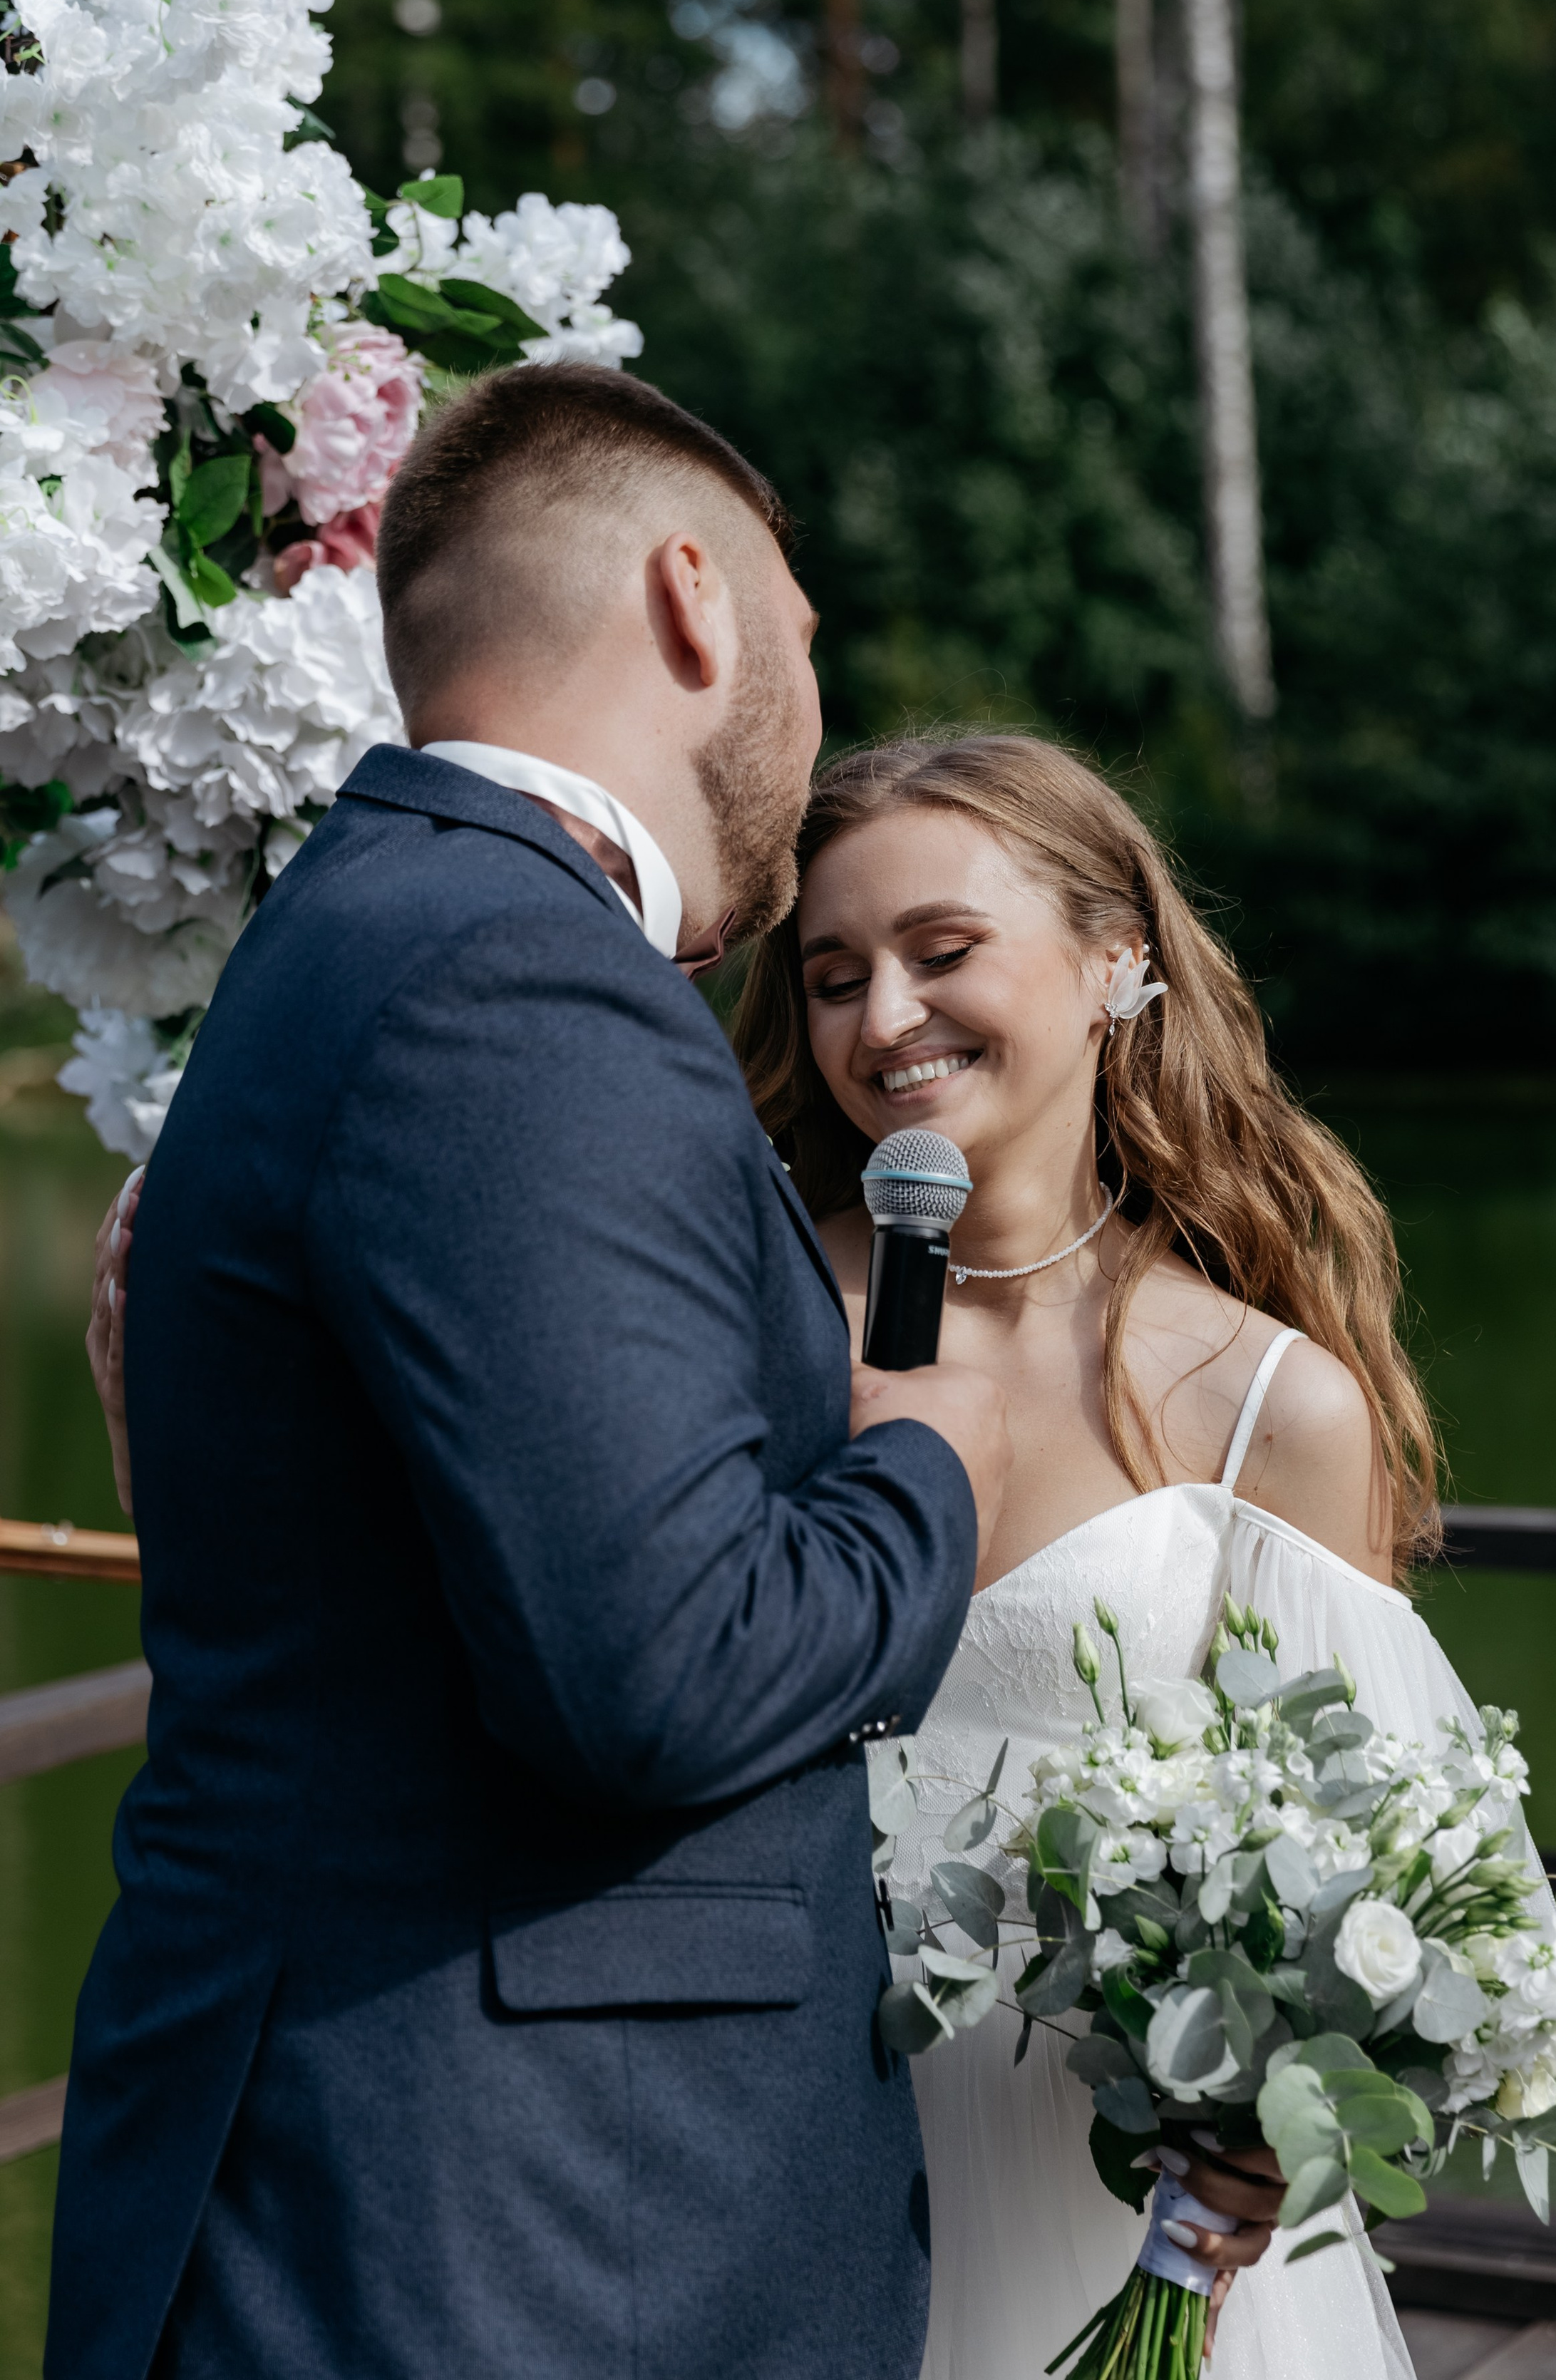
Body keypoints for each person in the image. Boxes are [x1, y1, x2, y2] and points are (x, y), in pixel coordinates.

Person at [53, 366, 1011, 2380]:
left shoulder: (361, 925)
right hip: (521, 2244)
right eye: (806, 640)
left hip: (415, 2194)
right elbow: (659, 1678)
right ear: (693, 601)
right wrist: (922, 1457)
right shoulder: (515, 975)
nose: (814, 715)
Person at [730, 733, 1483, 2380]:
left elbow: (1384, 1867)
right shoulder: (739, 1320)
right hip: (772, 2131)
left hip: (1100, 2184)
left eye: (940, 952)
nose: (881, 1019)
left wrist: (1278, 2111)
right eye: (833, 978)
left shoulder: (1265, 1401)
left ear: (1110, 965)